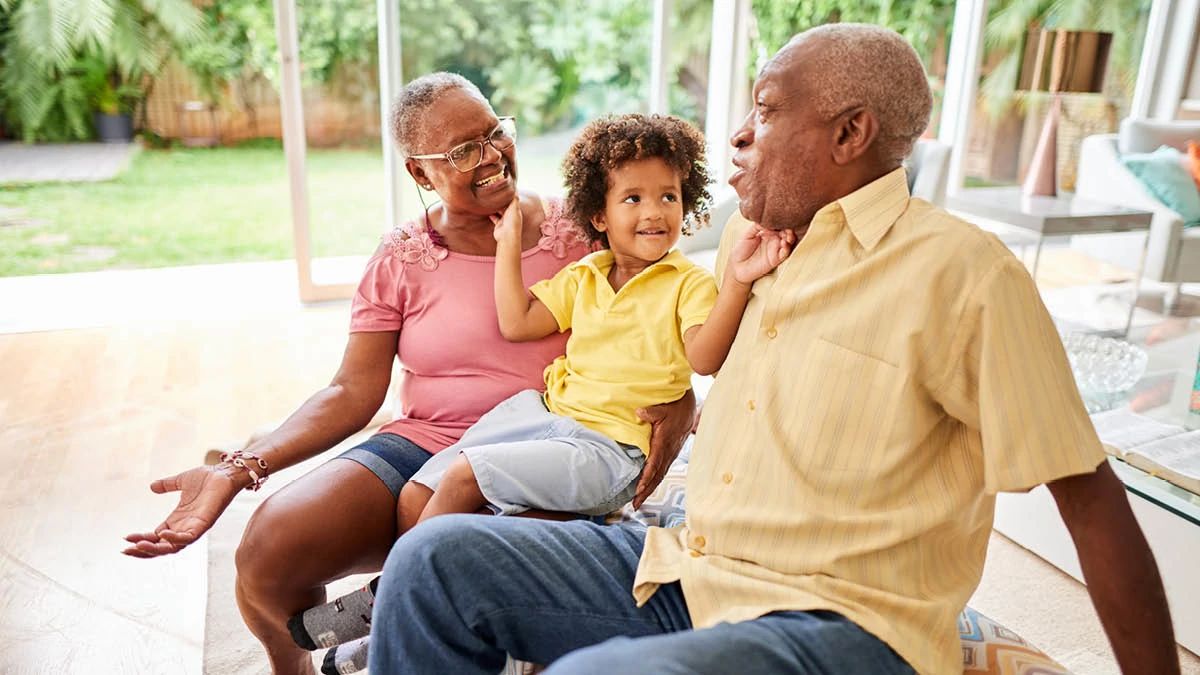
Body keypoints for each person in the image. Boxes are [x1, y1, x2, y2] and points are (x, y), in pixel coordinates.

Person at [366, 24, 1181, 675]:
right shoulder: (751, 250)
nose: (738, 134)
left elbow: (1092, 497)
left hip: (841, 621)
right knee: (432, 561)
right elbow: (718, 366)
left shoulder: (965, 274)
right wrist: (681, 396)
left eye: (766, 109)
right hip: (688, 568)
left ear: (850, 132)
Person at [120, 73, 696, 675]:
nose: (492, 156)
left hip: (562, 440)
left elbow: (667, 312)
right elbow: (350, 390)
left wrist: (682, 401)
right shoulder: (400, 256)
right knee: (270, 547)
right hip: (427, 441)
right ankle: (300, 666)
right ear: (421, 174)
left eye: (495, 133)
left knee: (484, 558)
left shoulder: (588, 229)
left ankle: (390, 627)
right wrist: (239, 469)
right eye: (462, 151)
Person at [287, 115, 795, 669]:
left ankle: (385, 604)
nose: (654, 212)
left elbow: (704, 358)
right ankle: (416, 617)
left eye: (668, 196)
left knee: (463, 478)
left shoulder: (689, 283)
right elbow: (519, 321)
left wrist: (740, 281)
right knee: (416, 496)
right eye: (633, 199)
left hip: (609, 447)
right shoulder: (586, 274)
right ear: (599, 215)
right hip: (545, 418)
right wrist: (507, 245)